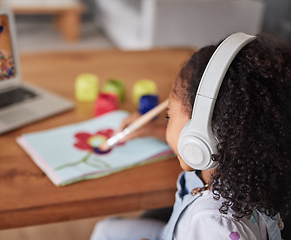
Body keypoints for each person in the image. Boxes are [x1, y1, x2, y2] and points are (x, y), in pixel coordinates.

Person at [91, 33, 291, 239]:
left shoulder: (215, 225)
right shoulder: (249, 167)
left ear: (198, 138)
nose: (168, 121)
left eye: (169, 115)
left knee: (105, 232)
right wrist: (151, 130)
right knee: (106, 229)